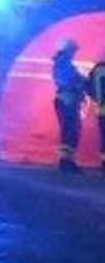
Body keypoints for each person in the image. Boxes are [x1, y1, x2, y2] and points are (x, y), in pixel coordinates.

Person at [51, 37, 86, 173]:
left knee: (70, 130)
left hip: (67, 100)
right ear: (68, 50)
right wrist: (80, 82)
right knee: (70, 130)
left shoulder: (63, 63)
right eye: (73, 50)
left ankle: (67, 161)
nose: (74, 53)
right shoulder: (63, 64)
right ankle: (66, 162)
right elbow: (66, 82)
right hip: (67, 100)